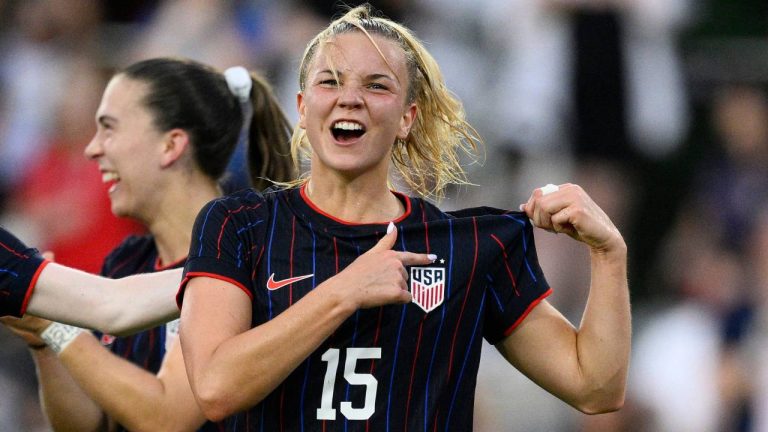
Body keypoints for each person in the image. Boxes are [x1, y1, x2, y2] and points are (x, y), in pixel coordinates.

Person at [176, 4, 630, 430]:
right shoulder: (238, 224)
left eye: (377, 85)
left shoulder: (468, 247)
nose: (350, 98)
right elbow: (217, 388)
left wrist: (610, 253)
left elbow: (595, 387)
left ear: (408, 118)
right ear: (301, 108)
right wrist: (345, 291)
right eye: (329, 81)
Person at [1, 57, 294, 431]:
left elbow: (166, 419)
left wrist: (58, 327)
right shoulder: (127, 263)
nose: (92, 149)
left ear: (171, 145)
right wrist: (44, 340)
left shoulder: (247, 253)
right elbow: (92, 423)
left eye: (109, 129)